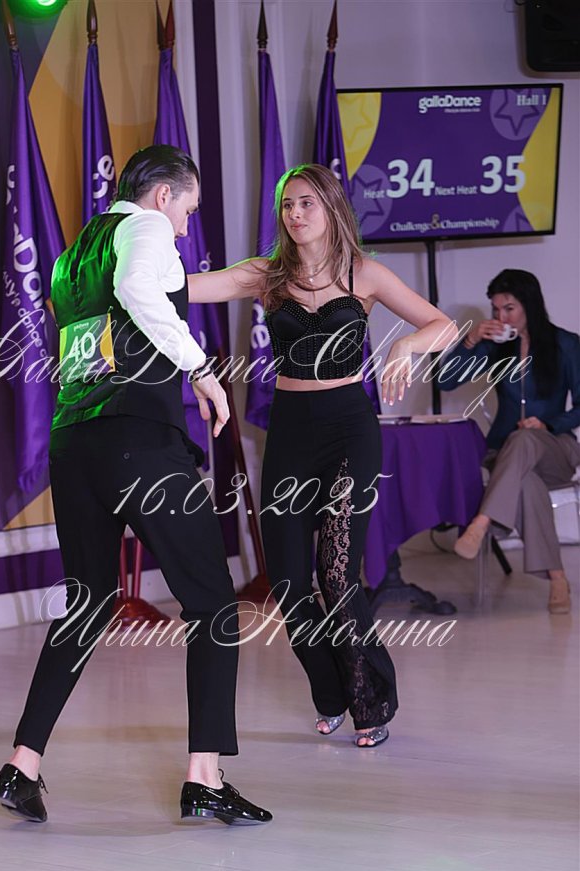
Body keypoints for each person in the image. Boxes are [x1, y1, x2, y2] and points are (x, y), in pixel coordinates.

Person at [0, 145, 272, 825]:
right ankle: (204, 778)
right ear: (163, 195)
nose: (185, 228)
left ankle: (22, 764)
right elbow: (142, 293)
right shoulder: (145, 227)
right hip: (137, 444)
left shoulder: (74, 254)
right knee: (212, 602)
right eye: (188, 211)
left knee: (88, 604)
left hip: (75, 445)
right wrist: (202, 370)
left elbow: (103, 336)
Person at [188, 164, 457, 747]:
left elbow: (444, 326)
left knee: (336, 577)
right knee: (287, 583)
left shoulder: (365, 273)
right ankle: (329, 691)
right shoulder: (267, 275)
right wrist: (128, 260)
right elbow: (189, 287)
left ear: (331, 207)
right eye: (287, 205)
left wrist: (408, 346)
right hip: (289, 433)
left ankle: (369, 700)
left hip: (348, 430)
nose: (295, 213)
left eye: (306, 202)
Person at [440, 269, 580, 614]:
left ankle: (481, 523)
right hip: (505, 456)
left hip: (554, 449)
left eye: (509, 308)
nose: (501, 317)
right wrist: (471, 339)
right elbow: (444, 380)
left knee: (527, 437)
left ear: (529, 305)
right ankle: (558, 578)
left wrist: (548, 424)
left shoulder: (566, 344)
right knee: (526, 481)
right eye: (495, 309)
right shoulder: (495, 346)